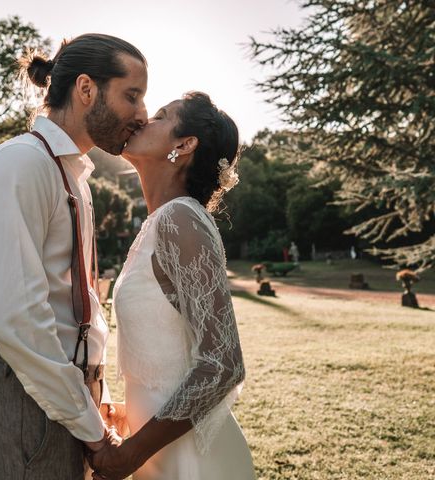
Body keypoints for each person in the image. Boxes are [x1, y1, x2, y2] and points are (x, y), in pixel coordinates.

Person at [0, 33, 148, 479]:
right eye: (132, 95)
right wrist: (93, 429)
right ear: (86, 89)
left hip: (67, 397)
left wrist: (91, 395)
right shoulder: (20, 165)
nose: (143, 114)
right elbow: (18, 319)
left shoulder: (74, 176)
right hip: (28, 401)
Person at [90, 92, 255, 479]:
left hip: (194, 462)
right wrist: (133, 413)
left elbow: (223, 364)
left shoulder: (180, 220)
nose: (144, 119)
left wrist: (130, 454)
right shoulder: (159, 223)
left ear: (184, 144)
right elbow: (170, 355)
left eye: (161, 116)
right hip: (160, 451)